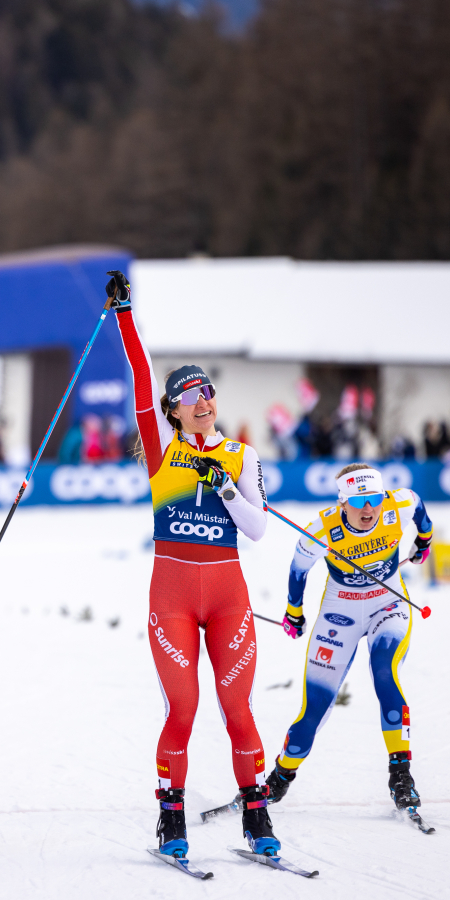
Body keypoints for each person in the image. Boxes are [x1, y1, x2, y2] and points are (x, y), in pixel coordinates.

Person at [105, 270, 280, 859]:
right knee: (183, 708)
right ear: (173, 411)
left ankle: (256, 818)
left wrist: (227, 487)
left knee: (237, 710)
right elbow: (140, 373)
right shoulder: (162, 447)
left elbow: (256, 528)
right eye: (189, 395)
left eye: (207, 391)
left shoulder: (242, 454)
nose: (202, 401)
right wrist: (126, 313)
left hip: (229, 596)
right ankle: (170, 818)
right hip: (172, 599)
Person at [266, 462, 433, 813]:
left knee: (384, 672)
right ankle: (280, 778)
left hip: (388, 606)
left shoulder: (397, 505)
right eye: (358, 502)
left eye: (374, 498)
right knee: (314, 709)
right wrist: (294, 612)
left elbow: (419, 507)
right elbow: (298, 570)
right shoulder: (320, 528)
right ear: (342, 502)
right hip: (338, 615)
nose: (369, 509)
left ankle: (400, 775)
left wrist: (423, 542)